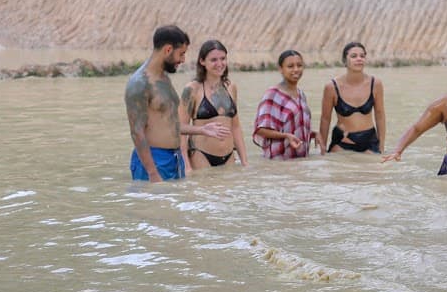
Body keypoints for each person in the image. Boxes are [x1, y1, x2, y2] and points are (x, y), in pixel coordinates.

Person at [126, 24, 228, 182]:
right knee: (151, 207)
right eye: (181, 54)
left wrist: (202, 129)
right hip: (154, 161)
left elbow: (169, 124)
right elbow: (137, 132)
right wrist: (152, 173)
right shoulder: (139, 83)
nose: (183, 60)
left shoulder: (164, 79)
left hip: (174, 159)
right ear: (168, 50)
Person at [180, 39, 249, 171]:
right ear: (202, 61)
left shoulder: (231, 87)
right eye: (213, 60)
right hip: (201, 155)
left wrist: (244, 161)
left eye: (223, 59)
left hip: (229, 156)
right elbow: (180, 130)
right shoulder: (192, 89)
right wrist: (186, 166)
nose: (219, 64)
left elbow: (235, 126)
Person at [319, 40, 387, 154]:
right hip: (343, 140)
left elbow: (380, 115)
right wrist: (323, 148)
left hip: (369, 140)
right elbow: (325, 119)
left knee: (375, 170)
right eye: (354, 56)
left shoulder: (375, 84)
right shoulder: (331, 87)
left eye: (362, 56)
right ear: (345, 61)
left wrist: (381, 145)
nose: (359, 59)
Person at [254, 49, 316, 160]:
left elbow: (295, 125)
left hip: (299, 161)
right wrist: (286, 136)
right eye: (290, 66)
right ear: (280, 69)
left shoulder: (301, 94)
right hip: (279, 162)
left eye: (299, 65)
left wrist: (313, 134)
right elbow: (261, 130)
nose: (296, 69)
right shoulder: (272, 94)